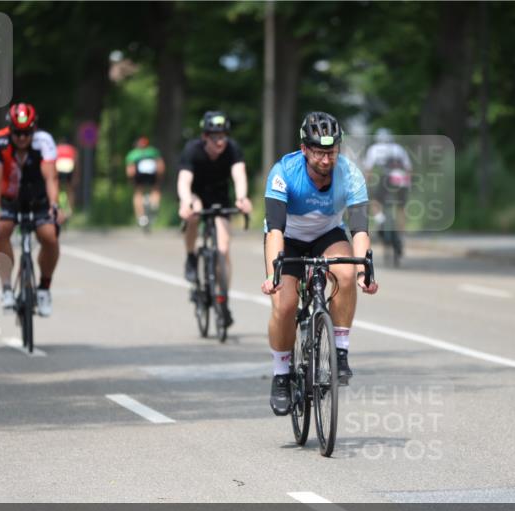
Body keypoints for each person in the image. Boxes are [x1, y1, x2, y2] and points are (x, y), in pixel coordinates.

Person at [261, 111, 378, 415]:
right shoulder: (284, 172)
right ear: (304, 150)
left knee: (347, 273)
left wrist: (364, 269)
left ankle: (340, 352)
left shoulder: (350, 174)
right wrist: (273, 274)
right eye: (319, 153)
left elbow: (360, 229)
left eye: (332, 152)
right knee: (285, 305)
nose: (326, 160)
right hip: (287, 237)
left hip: (327, 233)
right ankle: (281, 375)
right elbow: (274, 230)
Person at [0, 102, 64, 317]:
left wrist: (54, 205)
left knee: (50, 236)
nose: (21, 138)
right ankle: (7, 288)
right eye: (17, 133)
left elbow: (51, 177)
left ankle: (44, 288)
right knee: (1, 229)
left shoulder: (43, 141)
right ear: (10, 129)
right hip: (8, 198)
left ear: (34, 129)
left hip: (37, 197)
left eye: (26, 133)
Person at [177, 111, 252, 325]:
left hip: (219, 197)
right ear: (205, 137)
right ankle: (191, 256)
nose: (220, 141)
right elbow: (184, 181)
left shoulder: (232, 149)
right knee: (194, 214)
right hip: (195, 194)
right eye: (214, 136)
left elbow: (239, 175)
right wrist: (185, 202)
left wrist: (242, 198)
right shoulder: (193, 150)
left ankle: (223, 301)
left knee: (224, 248)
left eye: (223, 136)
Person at [362, 127, 412, 258]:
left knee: (374, 201)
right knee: (401, 207)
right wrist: (408, 183)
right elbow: (409, 168)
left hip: (387, 180)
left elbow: (368, 170)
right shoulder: (399, 148)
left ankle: (381, 220)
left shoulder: (374, 149)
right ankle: (401, 236)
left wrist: (366, 184)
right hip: (401, 180)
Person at [125, 136, 164, 228]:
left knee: (138, 192)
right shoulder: (153, 151)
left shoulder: (133, 154)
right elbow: (161, 166)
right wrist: (159, 177)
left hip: (139, 175)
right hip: (152, 174)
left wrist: (131, 180)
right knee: (155, 189)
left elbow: (130, 170)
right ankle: (154, 205)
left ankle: (141, 216)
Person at [55, 139, 78, 212]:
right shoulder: (71, 149)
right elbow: (75, 161)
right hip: (69, 168)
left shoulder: (57, 148)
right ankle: (70, 209)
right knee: (70, 190)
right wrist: (76, 175)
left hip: (59, 168)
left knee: (57, 189)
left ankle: (57, 207)